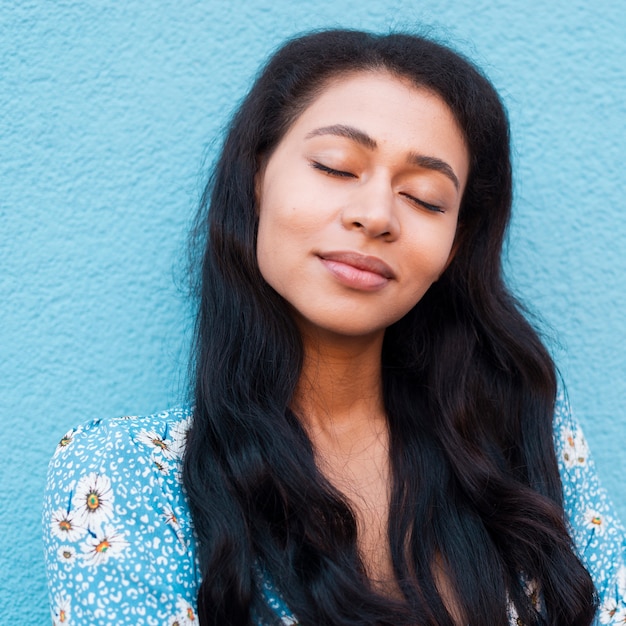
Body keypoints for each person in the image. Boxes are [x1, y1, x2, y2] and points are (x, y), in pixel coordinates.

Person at [42, 29, 626, 626]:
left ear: (454, 245)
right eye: (335, 166)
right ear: (256, 180)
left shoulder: (525, 440)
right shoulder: (129, 479)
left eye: (425, 198)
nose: (375, 215)